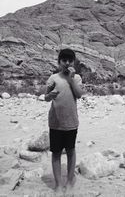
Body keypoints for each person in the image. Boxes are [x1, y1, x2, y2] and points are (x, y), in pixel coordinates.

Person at [45, 48, 84, 193]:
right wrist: (50, 96)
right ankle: (58, 184)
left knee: (70, 151)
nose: (67, 63)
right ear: (59, 62)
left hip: (71, 122)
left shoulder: (77, 78)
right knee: (56, 153)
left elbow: (79, 94)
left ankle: (69, 181)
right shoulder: (53, 78)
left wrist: (72, 79)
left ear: (74, 62)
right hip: (55, 122)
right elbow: (46, 96)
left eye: (70, 60)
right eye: (64, 60)